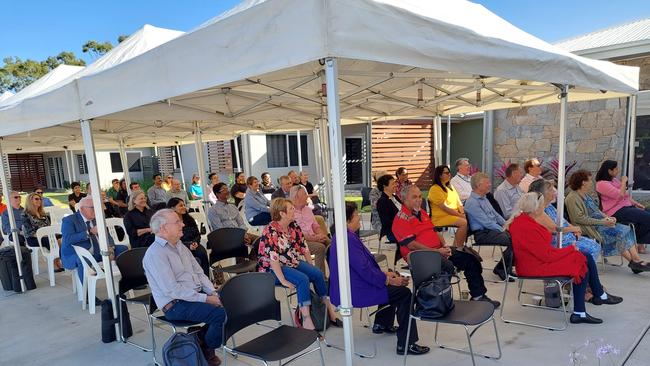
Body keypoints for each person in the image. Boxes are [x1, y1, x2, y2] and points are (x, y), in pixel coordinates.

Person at [329, 202, 429, 356]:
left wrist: (385, 274)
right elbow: (364, 270)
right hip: (355, 290)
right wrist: (388, 280)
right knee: (403, 293)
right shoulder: (347, 239)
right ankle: (406, 343)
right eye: (356, 216)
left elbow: (363, 267)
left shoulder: (344, 236)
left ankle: (382, 324)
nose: (359, 218)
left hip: (353, 284)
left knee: (391, 284)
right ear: (348, 221)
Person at [507, 192, 623, 324]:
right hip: (534, 266)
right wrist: (570, 250)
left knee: (584, 256)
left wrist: (570, 250)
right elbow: (546, 255)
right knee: (579, 261)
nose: (544, 207)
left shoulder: (524, 220)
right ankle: (582, 310)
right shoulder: (526, 226)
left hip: (535, 261)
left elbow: (543, 252)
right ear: (536, 208)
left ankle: (596, 297)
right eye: (542, 205)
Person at [393, 184, 499, 307]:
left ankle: (478, 296)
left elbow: (435, 231)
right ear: (404, 199)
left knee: (470, 258)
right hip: (420, 257)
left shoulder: (421, 212)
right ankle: (440, 300)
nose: (418, 200)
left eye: (420, 196)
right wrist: (438, 252)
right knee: (448, 266)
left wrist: (444, 245)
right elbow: (411, 245)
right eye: (414, 197)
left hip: (437, 251)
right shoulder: (401, 218)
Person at [143, 209, 224, 366]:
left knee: (232, 304)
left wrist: (212, 292)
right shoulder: (155, 254)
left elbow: (199, 273)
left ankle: (198, 339)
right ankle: (203, 344)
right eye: (177, 222)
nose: (183, 224)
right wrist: (207, 299)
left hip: (193, 294)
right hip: (175, 304)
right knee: (220, 314)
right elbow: (172, 290)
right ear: (163, 228)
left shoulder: (179, 246)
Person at [257, 198, 339, 330]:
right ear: (282, 213)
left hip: (291, 261)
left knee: (317, 274)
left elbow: (304, 247)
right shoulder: (270, 230)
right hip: (272, 268)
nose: (294, 210)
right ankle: (306, 319)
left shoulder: (293, 225)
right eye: (290, 209)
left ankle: (328, 309)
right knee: (303, 279)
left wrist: (310, 266)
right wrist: (283, 280)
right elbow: (273, 259)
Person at [566, 169, 649, 273]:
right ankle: (635, 262)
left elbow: (597, 211)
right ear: (583, 182)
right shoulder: (572, 198)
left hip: (599, 224)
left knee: (625, 230)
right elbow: (580, 219)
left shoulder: (585, 195)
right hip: (589, 228)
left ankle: (635, 262)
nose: (592, 182)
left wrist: (607, 217)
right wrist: (604, 222)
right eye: (590, 180)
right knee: (622, 231)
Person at [529, 179, 601, 263]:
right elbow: (553, 229)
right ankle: (580, 270)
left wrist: (574, 228)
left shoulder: (549, 206)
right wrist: (573, 229)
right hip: (558, 241)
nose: (554, 192)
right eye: (551, 190)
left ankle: (584, 270)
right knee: (591, 248)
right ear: (542, 193)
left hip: (567, 237)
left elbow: (563, 222)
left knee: (594, 244)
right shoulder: (538, 210)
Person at [463, 173, 514, 281]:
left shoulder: (484, 198)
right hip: (483, 234)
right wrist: (504, 229)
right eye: (487, 183)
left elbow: (496, 215)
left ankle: (504, 267)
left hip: (492, 231)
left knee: (517, 237)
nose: (490, 185)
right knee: (513, 239)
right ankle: (502, 268)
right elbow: (487, 223)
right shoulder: (472, 202)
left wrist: (507, 224)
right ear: (478, 185)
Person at [61, 197, 128, 278]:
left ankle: (125, 280)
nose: (96, 210)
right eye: (93, 208)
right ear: (82, 209)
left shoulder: (97, 218)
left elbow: (107, 235)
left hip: (98, 251)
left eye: (97, 207)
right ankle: (86, 289)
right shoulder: (69, 220)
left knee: (123, 249)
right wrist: (90, 232)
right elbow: (68, 239)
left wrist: (110, 247)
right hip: (76, 254)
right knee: (83, 259)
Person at [595, 160, 650, 250]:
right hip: (615, 211)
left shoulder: (614, 180)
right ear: (609, 171)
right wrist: (624, 181)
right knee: (647, 217)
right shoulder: (601, 184)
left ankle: (638, 241)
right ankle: (637, 241)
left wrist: (636, 203)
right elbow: (620, 195)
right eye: (616, 169)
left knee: (647, 213)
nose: (618, 171)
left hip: (626, 207)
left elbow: (625, 195)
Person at [427, 165, 468, 250]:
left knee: (469, 219)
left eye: (449, 172)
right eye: (446, 173)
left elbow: (459, 203)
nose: (449, 174)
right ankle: (457, 248)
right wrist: (460, 216)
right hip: (440, 217)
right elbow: (445, 208)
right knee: (463, 222)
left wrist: (463, 213)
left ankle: (457, 247)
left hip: (452, 215)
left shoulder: (450, 187)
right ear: (439, 175)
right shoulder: (434, 189)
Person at [290, 185, 329, 274]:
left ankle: (335, 273)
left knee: (331, 245)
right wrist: (315, 238)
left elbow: (315, 226)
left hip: (313, 237)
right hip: (298, 241)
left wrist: (321, 235)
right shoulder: (290, 212)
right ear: (296, 197)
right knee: (320, 247)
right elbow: (297, 234)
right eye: (304, 194)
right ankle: (318, 275)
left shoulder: (307, 209)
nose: (307, 196)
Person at [166, 198, 210, 276]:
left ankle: (206, 278)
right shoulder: (169, 223)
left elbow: (197, 234)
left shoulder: (189, 219)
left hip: (194, 244)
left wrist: (195, 243)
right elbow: (173, 240)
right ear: (172, 208)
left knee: (202, 253)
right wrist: (188, 245)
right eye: (180, 206)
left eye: (184, 205)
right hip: (179, 247)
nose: (184, 207)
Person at [23, 192, 65, 271]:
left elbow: (48, 227)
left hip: (46, 236)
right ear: (30, 201)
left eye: (40, 199)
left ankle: (57, 260)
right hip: (33, 238)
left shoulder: (43, 214)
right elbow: (30, 232)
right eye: (36, 199)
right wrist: (45, 235)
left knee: (61, 237)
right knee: (52, 240)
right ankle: (57, 262)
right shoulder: (25, 215)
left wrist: (50, 234)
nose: (39, 201)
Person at [376, 174, 402, 242]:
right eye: (393, 183)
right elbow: (386, 222)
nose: (396, 185)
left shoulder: (395, 197)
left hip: (402, 229)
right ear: (385, 187)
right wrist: (403, 222)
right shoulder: (382, 202)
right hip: (391, 233)